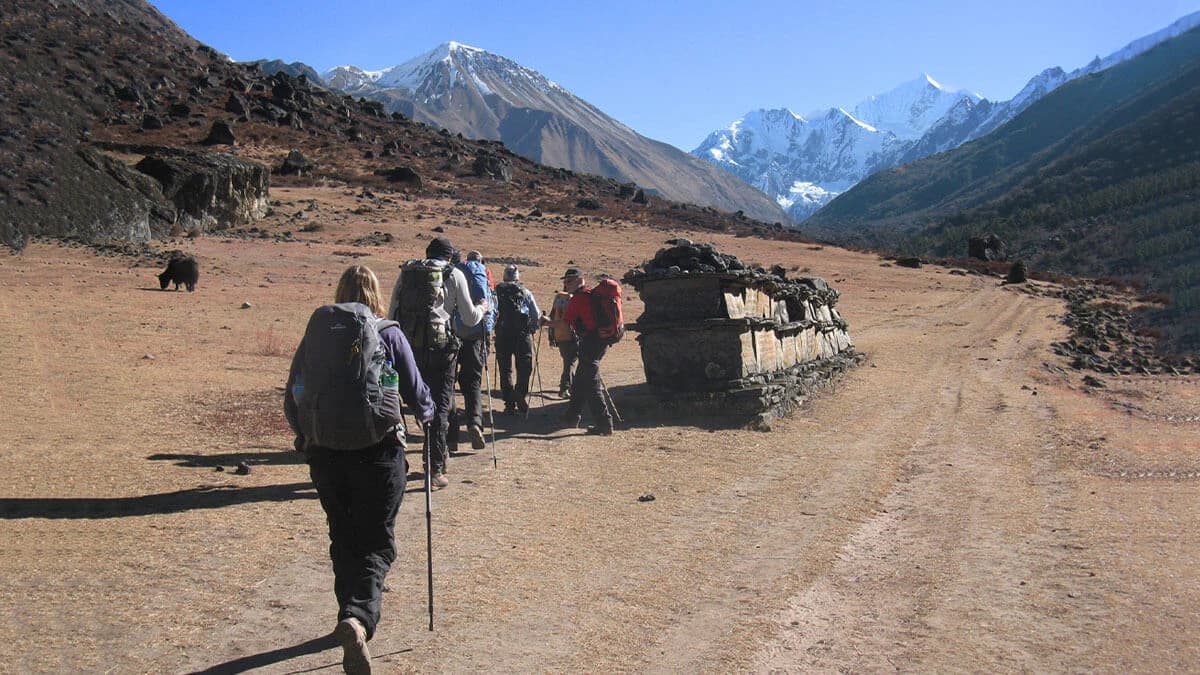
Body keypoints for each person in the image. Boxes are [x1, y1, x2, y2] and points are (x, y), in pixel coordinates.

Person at [285, 265, 435, 674]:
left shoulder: (318, 333)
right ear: (376, 292)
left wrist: (306, 435)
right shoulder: (388, 331)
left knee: (343, 535)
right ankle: (358, 619)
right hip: (379, 451)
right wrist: (429, 413)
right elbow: (416, 389)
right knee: (376, 541)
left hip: (325, 454)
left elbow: (294, 392)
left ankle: (346, 613)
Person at [388, 236, 489, 489]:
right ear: (449, 256)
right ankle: (433, 469)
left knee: (415, 402)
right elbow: (469, 318)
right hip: (442, 350)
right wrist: (484, 307)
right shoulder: (453, 274)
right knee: (440, 405)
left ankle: (414, 459)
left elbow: (392, 313)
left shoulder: (408, 273)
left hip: (410, 349)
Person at [450, 250, 494, 452]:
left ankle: (450, 437)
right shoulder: (484, 275)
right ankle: (475, 423)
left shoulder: (454, 271)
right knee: (472, 383)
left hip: (452, 334)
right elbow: (492, 307)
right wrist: (488, 335)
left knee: (448, 383)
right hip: (476, 335)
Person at [562, 268, 614, 435]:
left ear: (580, 280)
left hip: (591, 343)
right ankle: (572, 417)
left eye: (569, 280)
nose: (566, 284)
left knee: (592, 384)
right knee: (580, 380)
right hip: (599, 341)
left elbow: (565, 323)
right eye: (565, 280)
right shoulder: (590, 294)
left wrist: (546, 323)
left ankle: (605, 424)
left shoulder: (578, 299)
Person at [493, 264, 541, 414]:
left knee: (505, 368)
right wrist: (532, 328)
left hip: (502, 335)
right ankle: (520, 394)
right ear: (517, 277)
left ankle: (509, 402)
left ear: (504, 276)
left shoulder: (496, 291)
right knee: (524, 367)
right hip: (522, 336)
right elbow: (536, 315)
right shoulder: (525, 292)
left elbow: (492, 312)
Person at [547, 268, 581, 398]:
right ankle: (564, 388)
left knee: (568, 362)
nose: (567, 283)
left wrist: (551, 335)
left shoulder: (559, 296)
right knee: (570, 363)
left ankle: (570, 387)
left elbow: (552, 315)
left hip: (559, 335)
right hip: (572, 335)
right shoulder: (574, 298)